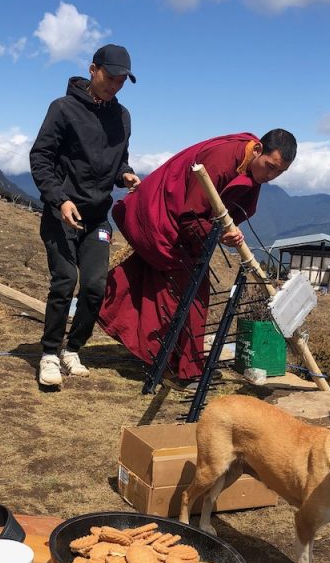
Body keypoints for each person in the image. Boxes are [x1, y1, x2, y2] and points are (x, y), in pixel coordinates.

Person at [98, 129, 296, 383]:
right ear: (257, 149)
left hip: (184, 226)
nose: (270, 176)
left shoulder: (249, 164)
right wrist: (221, 235)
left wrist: (227, 229)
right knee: (183, 292)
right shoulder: (221, 161)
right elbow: (191, 214)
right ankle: (171, 364)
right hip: (162, 218)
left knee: (171, 285)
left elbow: (231, 207)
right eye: (269, 167)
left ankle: (172, 359)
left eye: (279, 172)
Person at [30, 44, 141, 387]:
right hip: (61, 212)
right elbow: (40, 158)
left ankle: (72, 348)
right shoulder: (62, 109)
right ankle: (49, 353)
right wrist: (59, 199)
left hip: (96, 216)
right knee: (64, 280)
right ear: (93, 70)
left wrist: (125, 174)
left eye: (122, 80)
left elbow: (120, 158)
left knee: (95, 285)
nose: (115, 85)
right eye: (110, 77)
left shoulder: (122, 117)